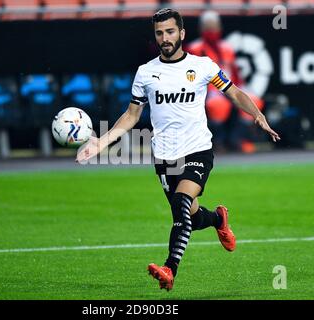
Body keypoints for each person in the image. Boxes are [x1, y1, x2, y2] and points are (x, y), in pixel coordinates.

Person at [76, 8, 280, 291]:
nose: (165, 38)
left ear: (182, 33)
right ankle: (218, 218)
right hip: (164, 158)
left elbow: (233, 91)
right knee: (191, 218)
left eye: (170, 31)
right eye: (159, 33)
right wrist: (101, 141)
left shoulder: (204, 66)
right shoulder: (146, 73)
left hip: (197, 150)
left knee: (181, 206)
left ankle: (169, 269)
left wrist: (257, 115)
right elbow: (132, 115)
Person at [186, 10, 265, 153]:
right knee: (218, 105)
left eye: (213, 26)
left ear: (219, 27)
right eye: (208, 27)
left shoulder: (227, 48)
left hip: (228, 85)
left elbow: (235, 74)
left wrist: (240, 89)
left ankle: (239, 139)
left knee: (254, 100)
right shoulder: (194, 48)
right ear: (201, 28)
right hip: (208, 89)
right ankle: (218, 141)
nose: (211, 30)